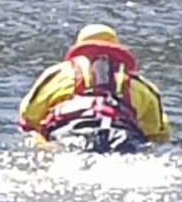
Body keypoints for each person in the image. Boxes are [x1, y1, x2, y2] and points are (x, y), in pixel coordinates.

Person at [18, 24, 170, 153]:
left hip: (70, 136)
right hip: (122, 138)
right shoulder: (140, 85)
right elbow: (158, 133)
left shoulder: (58, 73)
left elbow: (28, 115)